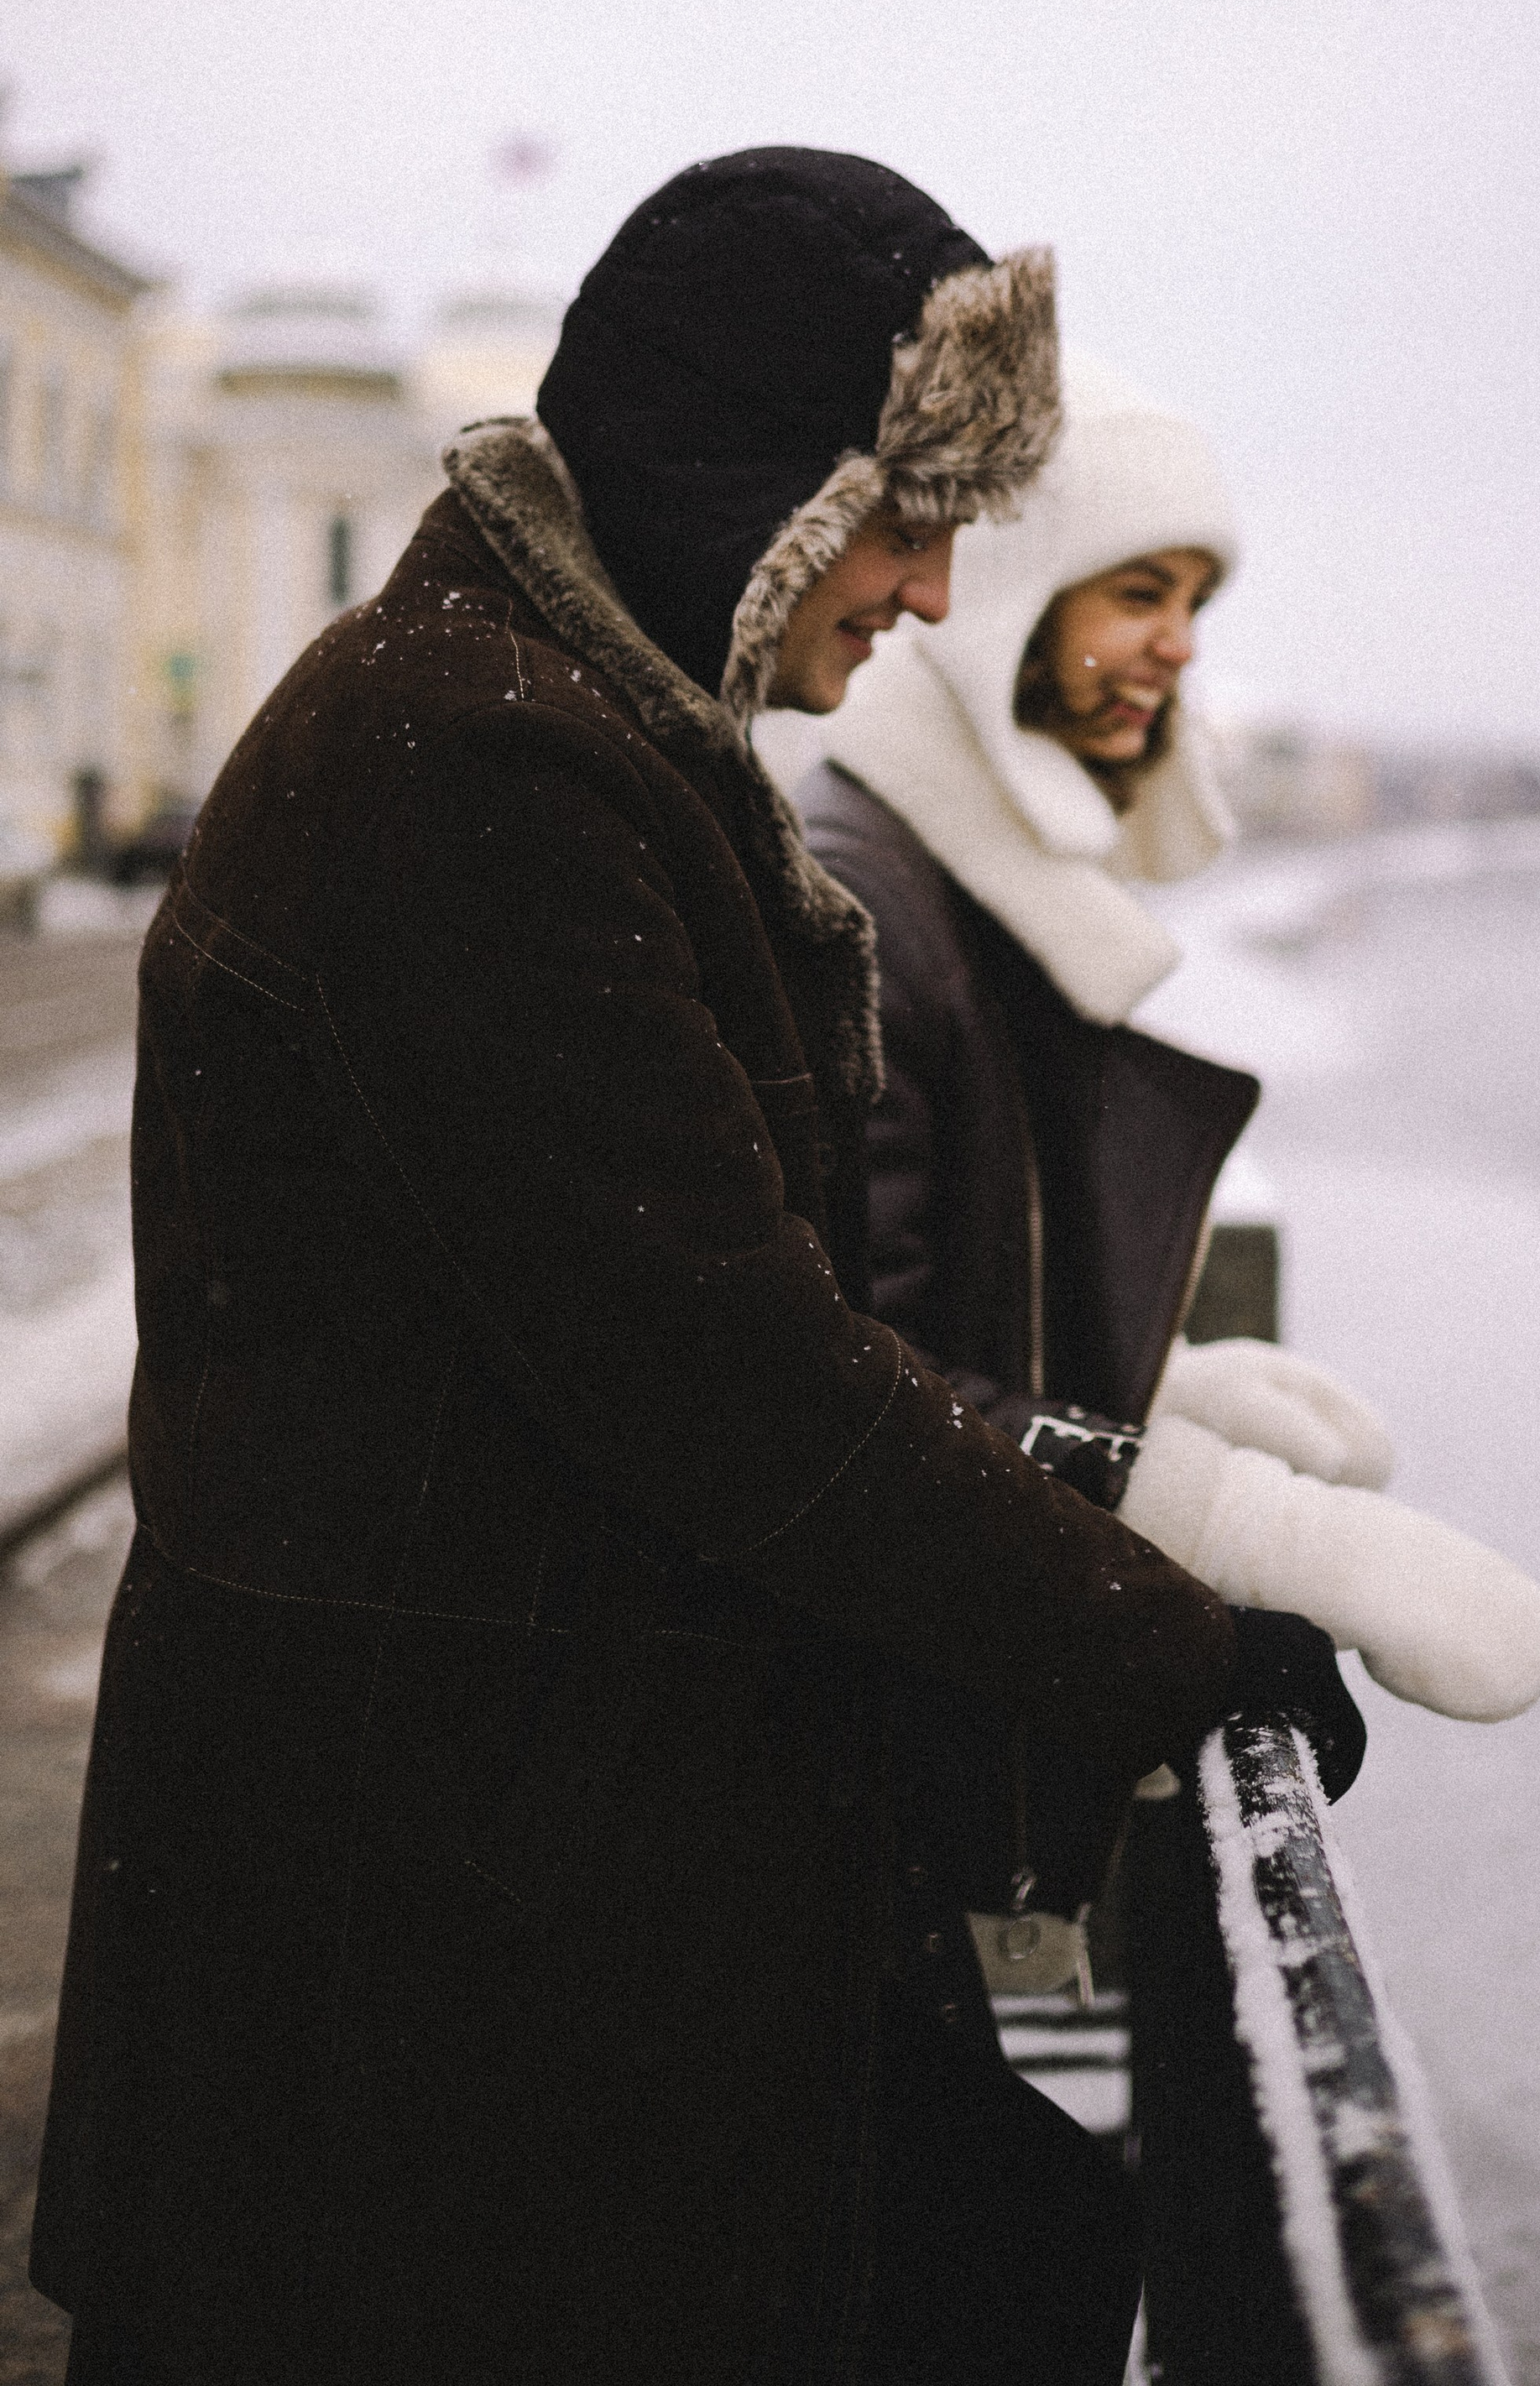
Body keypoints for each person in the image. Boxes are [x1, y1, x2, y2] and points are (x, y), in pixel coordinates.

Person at [31, 152, 1363, 2386]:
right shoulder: (478, 760)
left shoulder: (561, 730)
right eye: (910, 514)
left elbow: (724, 1335)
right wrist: (1163, 1643)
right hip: (415, 1978)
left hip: (475, 1918)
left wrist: (1103, 1513)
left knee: (1004, 2255)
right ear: (752, 480)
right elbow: (730, 1373)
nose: (937, 592)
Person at [798, 362, 1540, 1966]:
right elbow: (857, 1391)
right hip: (849, 1795)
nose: (1178, 645)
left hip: (894, 1765)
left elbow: (948, 1306)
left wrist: (1167, 1380)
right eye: (1140, 590)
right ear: (1006, 600)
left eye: (1197, 600)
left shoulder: (961, 889)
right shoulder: (878, 904)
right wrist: (1270, 1534)